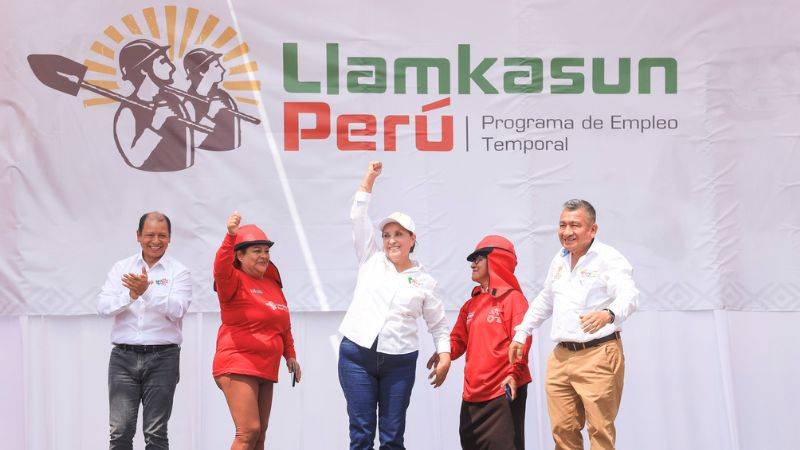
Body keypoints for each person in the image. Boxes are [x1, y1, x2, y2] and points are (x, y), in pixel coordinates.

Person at [338, 161, 452, 450]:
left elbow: (438, 324)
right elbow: (357, 215)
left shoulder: (424, 280)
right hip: (357, 357)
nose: (391, 240)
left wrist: (445, 355)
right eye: (386, 235)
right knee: (361, 434)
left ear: (412, 239)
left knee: (392, 438)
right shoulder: (371, 258)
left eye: (398, 234)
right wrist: (369, 179)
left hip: (400, 361)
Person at [509, 199, 639, 450]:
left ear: (592, 230)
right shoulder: (559, 259)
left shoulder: (608, 258)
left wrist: (608, 313)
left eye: (575, 225)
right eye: (562, 225)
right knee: (562, 430)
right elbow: (546, 298)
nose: (567, 232)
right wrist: (522, 331)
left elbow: (629, 295)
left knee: (600, 430)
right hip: (561, 357)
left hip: (598, 355)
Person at [97, 211, 192, 449]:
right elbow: (104, 308)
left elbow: (178, 309)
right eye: (150, 234)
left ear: (170, 238)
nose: (156, 241)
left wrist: (146, 291)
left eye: (162, 235)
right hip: (123, 358)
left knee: (156, 433)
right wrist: (131, 294)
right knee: (120, 432)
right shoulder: (121, 268)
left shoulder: (179, 271)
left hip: (164, 357)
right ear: (138, 236)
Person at [212, 211, 301, 450]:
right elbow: (220, 268)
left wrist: (290, 355)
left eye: (266, 250)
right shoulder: (232, 280)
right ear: (239, 255)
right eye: (256, 250)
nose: (263, 256)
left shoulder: (272, 283)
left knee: (259, 436)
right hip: (237, 363)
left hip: (265, 367)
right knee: (248, 431)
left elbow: (283, 323)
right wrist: (229, 237)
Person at [444, 235, 532, 450]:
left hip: (502, 391)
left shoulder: (513, 299)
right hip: (472, 395)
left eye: (478, 258)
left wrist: (514, 374)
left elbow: (522, 341)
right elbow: (457, 340)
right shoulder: (470, 304)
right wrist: (443, 352)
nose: (472, 264)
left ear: (497, 260)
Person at [114, 39, 194, 172]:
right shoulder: (128, 110)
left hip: (189, 178)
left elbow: (187, 153)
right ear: (143, 70)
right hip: (143, 186)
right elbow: (134, 159)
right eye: (163, 62)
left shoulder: (174, 101)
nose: (172, 67)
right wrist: (156, 124)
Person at [182, 48, 240, 151]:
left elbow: (235, 139)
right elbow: (192, 141)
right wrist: (211, 114)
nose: (223, 69)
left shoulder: (225, 97)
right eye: (216, 66)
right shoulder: (188, 103)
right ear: (202, 72)